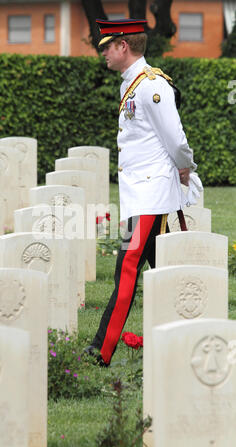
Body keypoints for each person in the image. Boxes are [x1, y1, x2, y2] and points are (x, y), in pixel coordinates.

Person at [84, 19, 199, 367]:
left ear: (124, 47)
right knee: (160, 270)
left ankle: (99, 352)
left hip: (150, 195)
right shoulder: (130, 85)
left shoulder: (151, 87)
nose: (103, 51)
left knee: (127, 267)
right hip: (139, 194)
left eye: (108, 45)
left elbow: (175, 138)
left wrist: (185, 167)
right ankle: (189, 334)